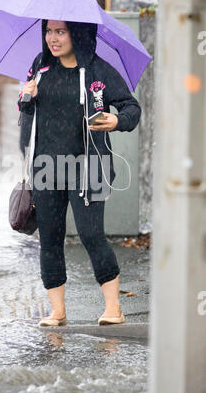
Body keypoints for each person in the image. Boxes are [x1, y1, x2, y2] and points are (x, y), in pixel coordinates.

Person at [17, 19, 142, 327]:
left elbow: (131, 108)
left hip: (90, 167)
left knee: (91, 234)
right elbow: (28, 115)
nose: (52, 38)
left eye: (60, 31)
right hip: (47, 167)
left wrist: (116, 121)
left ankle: (113, 308)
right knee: (50, 237)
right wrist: (26, 98)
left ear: (78, 33)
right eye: (49, 31)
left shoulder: (97, 71)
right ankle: (57, 311)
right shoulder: (41, 68)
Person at [19, 0, 68, 156]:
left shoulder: (71, 18)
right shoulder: (28, 14)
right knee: (27, 143)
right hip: (33, 87)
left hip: (59, 94)